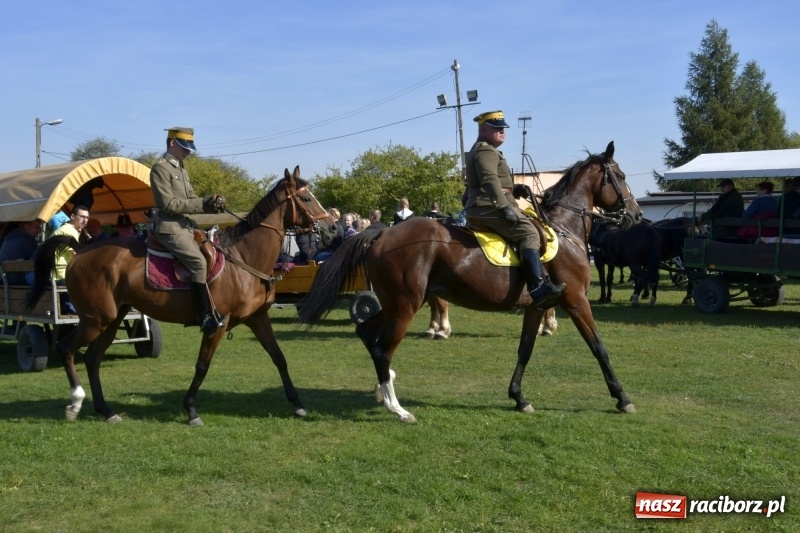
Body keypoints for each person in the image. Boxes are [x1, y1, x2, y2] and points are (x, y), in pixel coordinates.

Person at [464, 110, 563, 309]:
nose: (503, 131)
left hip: (489, 202)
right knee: (530, 233)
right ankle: (537, 287)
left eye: (503, 128)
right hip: (488, 206)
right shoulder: (485, 150)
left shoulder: (488, 150)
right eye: (497, 128)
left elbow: (495, 181)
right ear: (483, 129)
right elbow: (489, 179)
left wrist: (513, 188)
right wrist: (503, 206)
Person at [150, 127, 227, 336]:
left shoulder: (182, 170)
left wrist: (210, 203)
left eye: (190, 148)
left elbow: (191, 199)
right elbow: (169, 204)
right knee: (198, 262)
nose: (189, 152)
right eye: (185, 147)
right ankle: (204, 317)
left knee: (213, 253)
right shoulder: (160, 168)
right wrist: (201, 203)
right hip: (169, 228)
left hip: (185, 226)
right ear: (172, 143)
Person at [0, 219, 42, 285]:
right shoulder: (27, 240)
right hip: (19, 279)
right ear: (27, 225)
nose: (39, 231)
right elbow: (38, 260)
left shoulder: (11, 236)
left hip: (5, 278)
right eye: (36, 227)